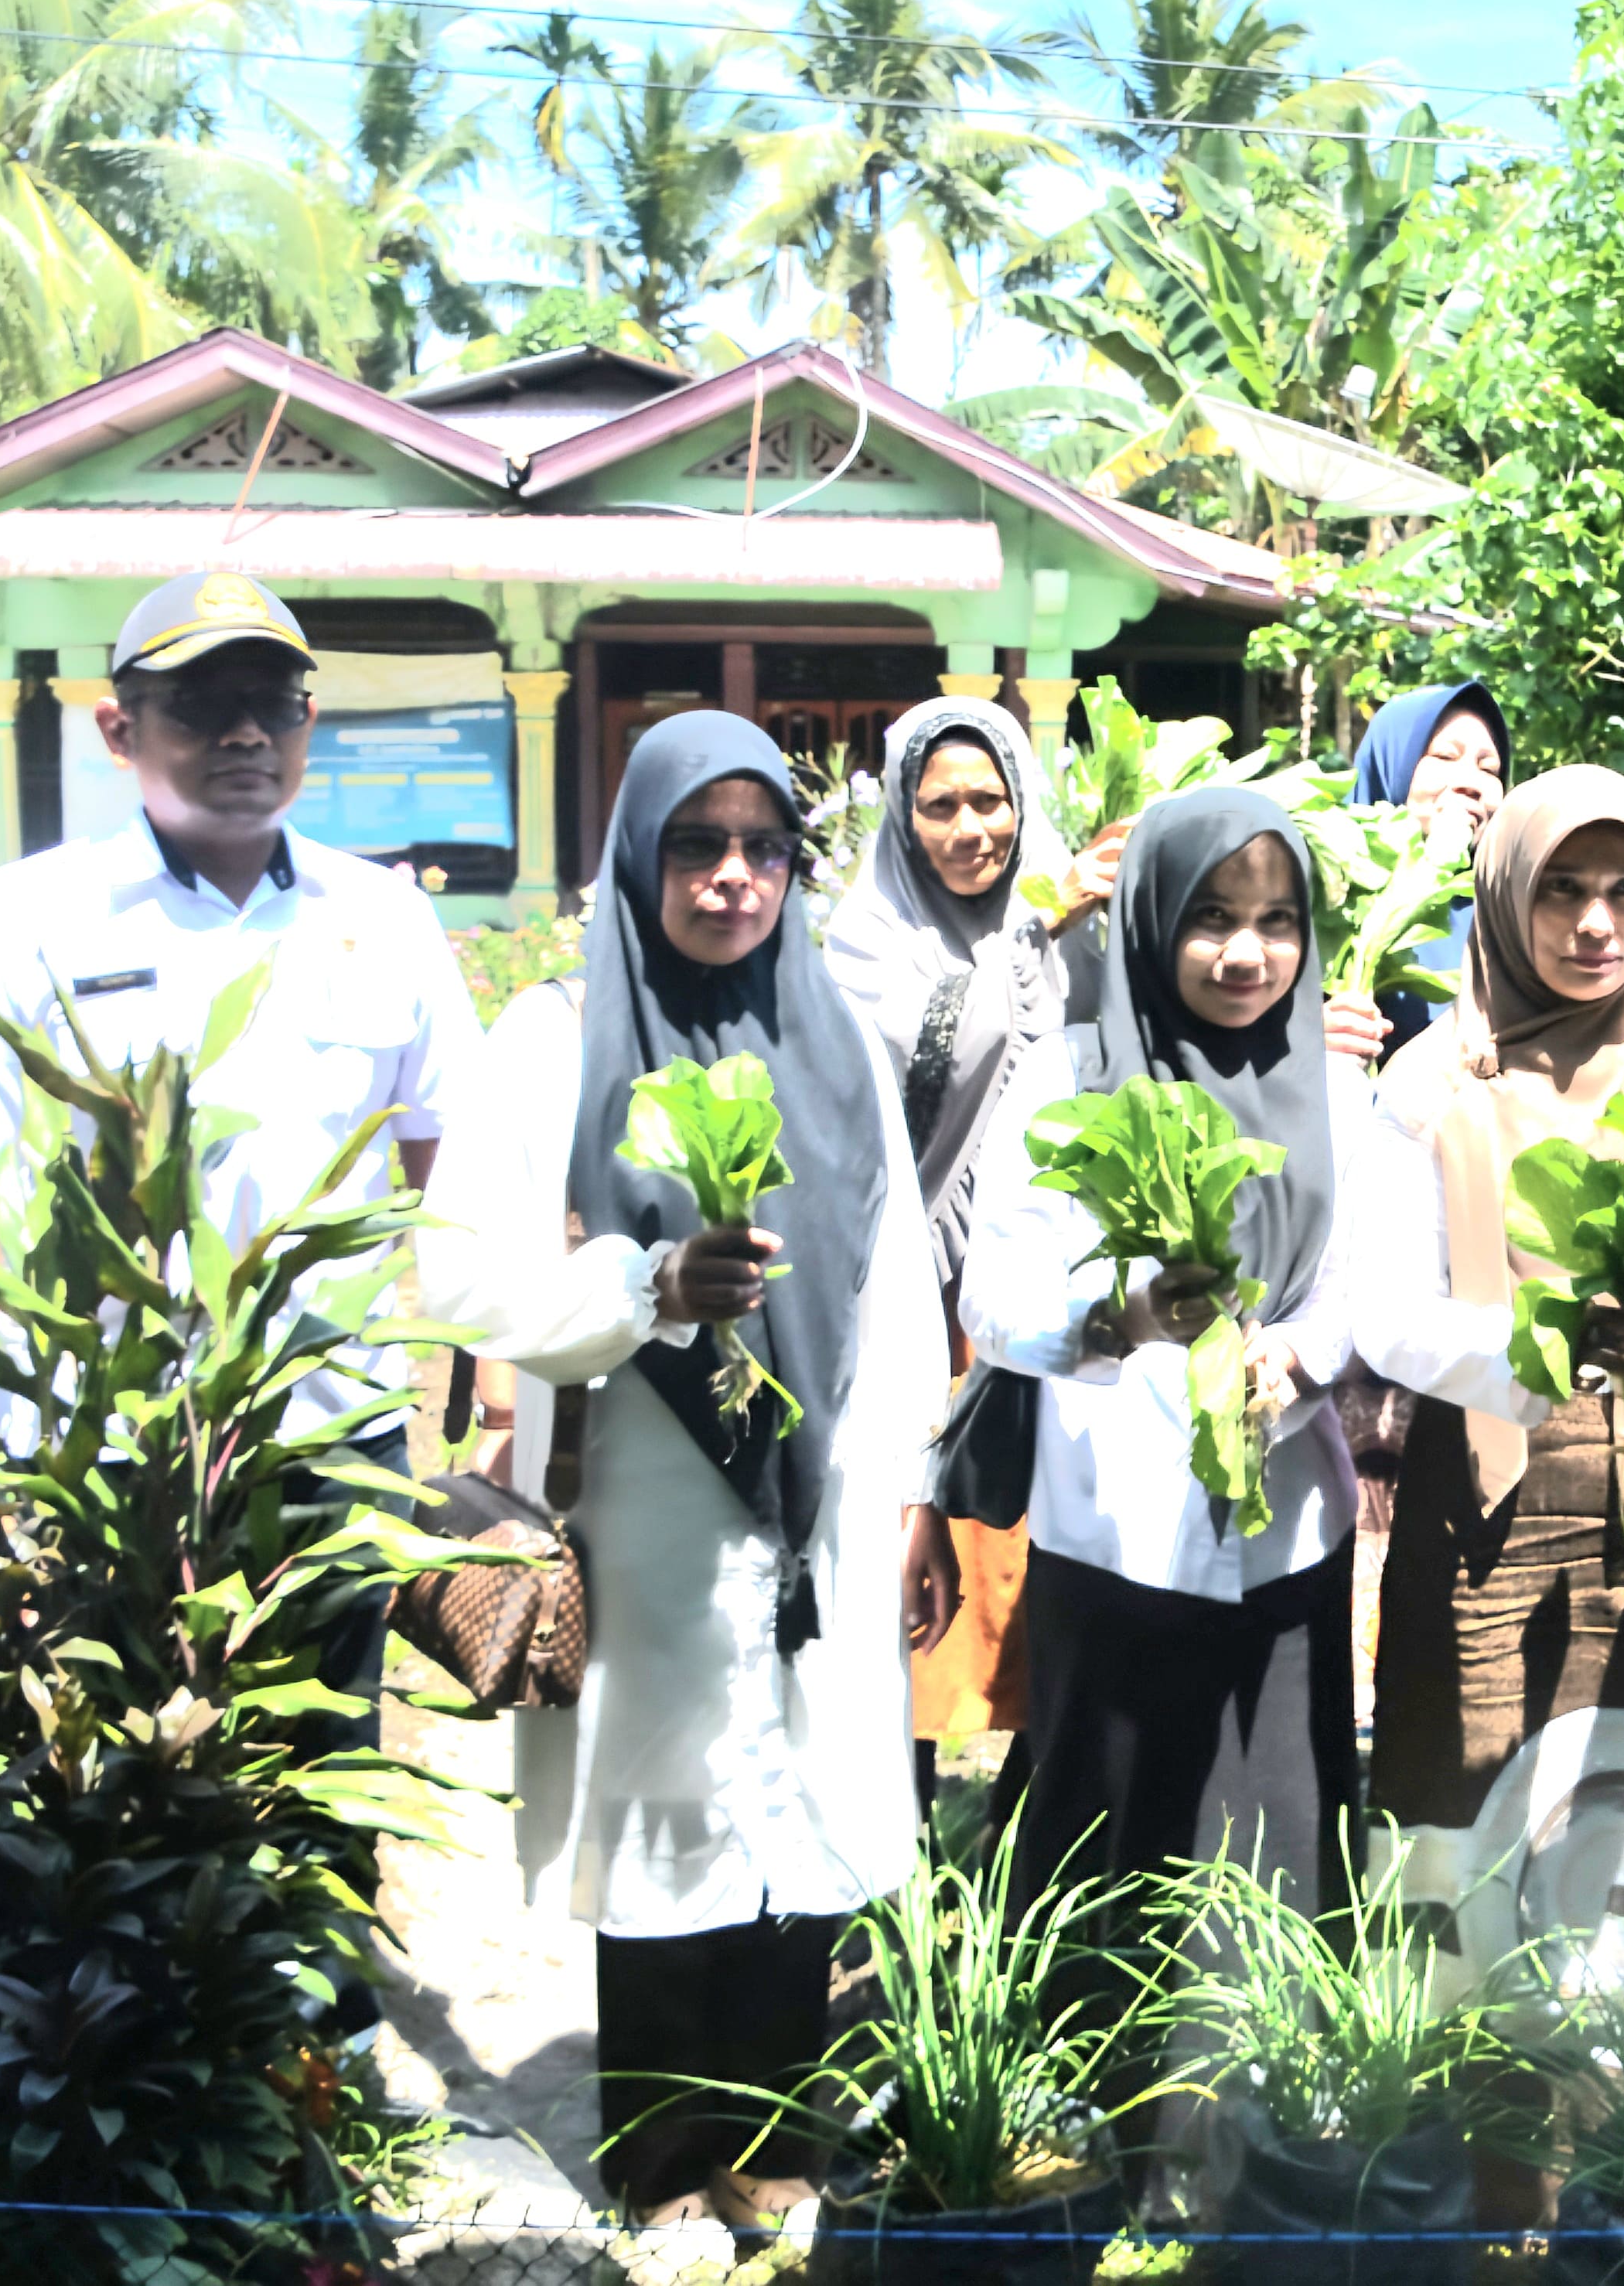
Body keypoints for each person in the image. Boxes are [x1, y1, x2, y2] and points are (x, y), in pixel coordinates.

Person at [418, 714, 930, 2226]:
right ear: (640, 853)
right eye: (696, 845)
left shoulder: (835, 1038)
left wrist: (898, 1495)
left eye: (763, 846)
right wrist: (645, 1290)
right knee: (659, 1824)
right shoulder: (549, 1043)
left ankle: (777, 2151)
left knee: (802, 1818)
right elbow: (458, 1279)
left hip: (818, 1510)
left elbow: (897, 1286)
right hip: (643, 1506)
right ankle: (657, 2172)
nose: (731, 879)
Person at [0, 570, 477, 1745]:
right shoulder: (28, 916)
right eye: (199, 704)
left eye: (274, 700)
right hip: (105, 1453)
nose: (245, 730)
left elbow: (462, 1173)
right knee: (117, 1808)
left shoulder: (383, 918)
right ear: (119, 727)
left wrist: (496, 1407)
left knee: (317, 1793)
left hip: (325, 1444)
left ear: (309, 720)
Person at [1355, 767, 1624, 1871]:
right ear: (1506, 894)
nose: (1596, 924)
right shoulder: (1433, 1080)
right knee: (1476, 1798)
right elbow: (1383, 1310)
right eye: (1560, 889)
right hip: (1482, 1506)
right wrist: (1537, 1347)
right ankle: (1478, 2046)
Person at [957, 787, 1362, 1926]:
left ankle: (1275, 2108)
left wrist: (1299, 1351)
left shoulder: (1337, 1086)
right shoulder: (1062, 1077)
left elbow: (1359, 1284)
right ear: (1146, 918)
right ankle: (1099, 2107)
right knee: (1113, 1859)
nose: (1248, 952)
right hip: (1114, 1535)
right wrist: (1123, 1317)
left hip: (1289, 1541)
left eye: (1279, 919)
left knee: (1276, 1853)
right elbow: (992, 1300)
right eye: (1212, 917)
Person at [823, 697, 1064, 1807]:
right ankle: (899, 1867)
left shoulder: (1079, 929)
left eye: (992, 799)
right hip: (910, 1306)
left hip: (1046, 1309)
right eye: (941, 805)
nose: (973, 828)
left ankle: (1024, 1868)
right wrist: (1034, 940)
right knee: (912, 1592)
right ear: (901, 816)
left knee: (1036, 1582)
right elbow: (921, 1066)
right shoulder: (862, 943)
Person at [1346, 681, 1511, 1056]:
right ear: (1391, 762)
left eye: (1490, 769)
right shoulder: (1324, 891)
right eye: (1444, 757)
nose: (1471, 784)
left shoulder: (1509, 909)